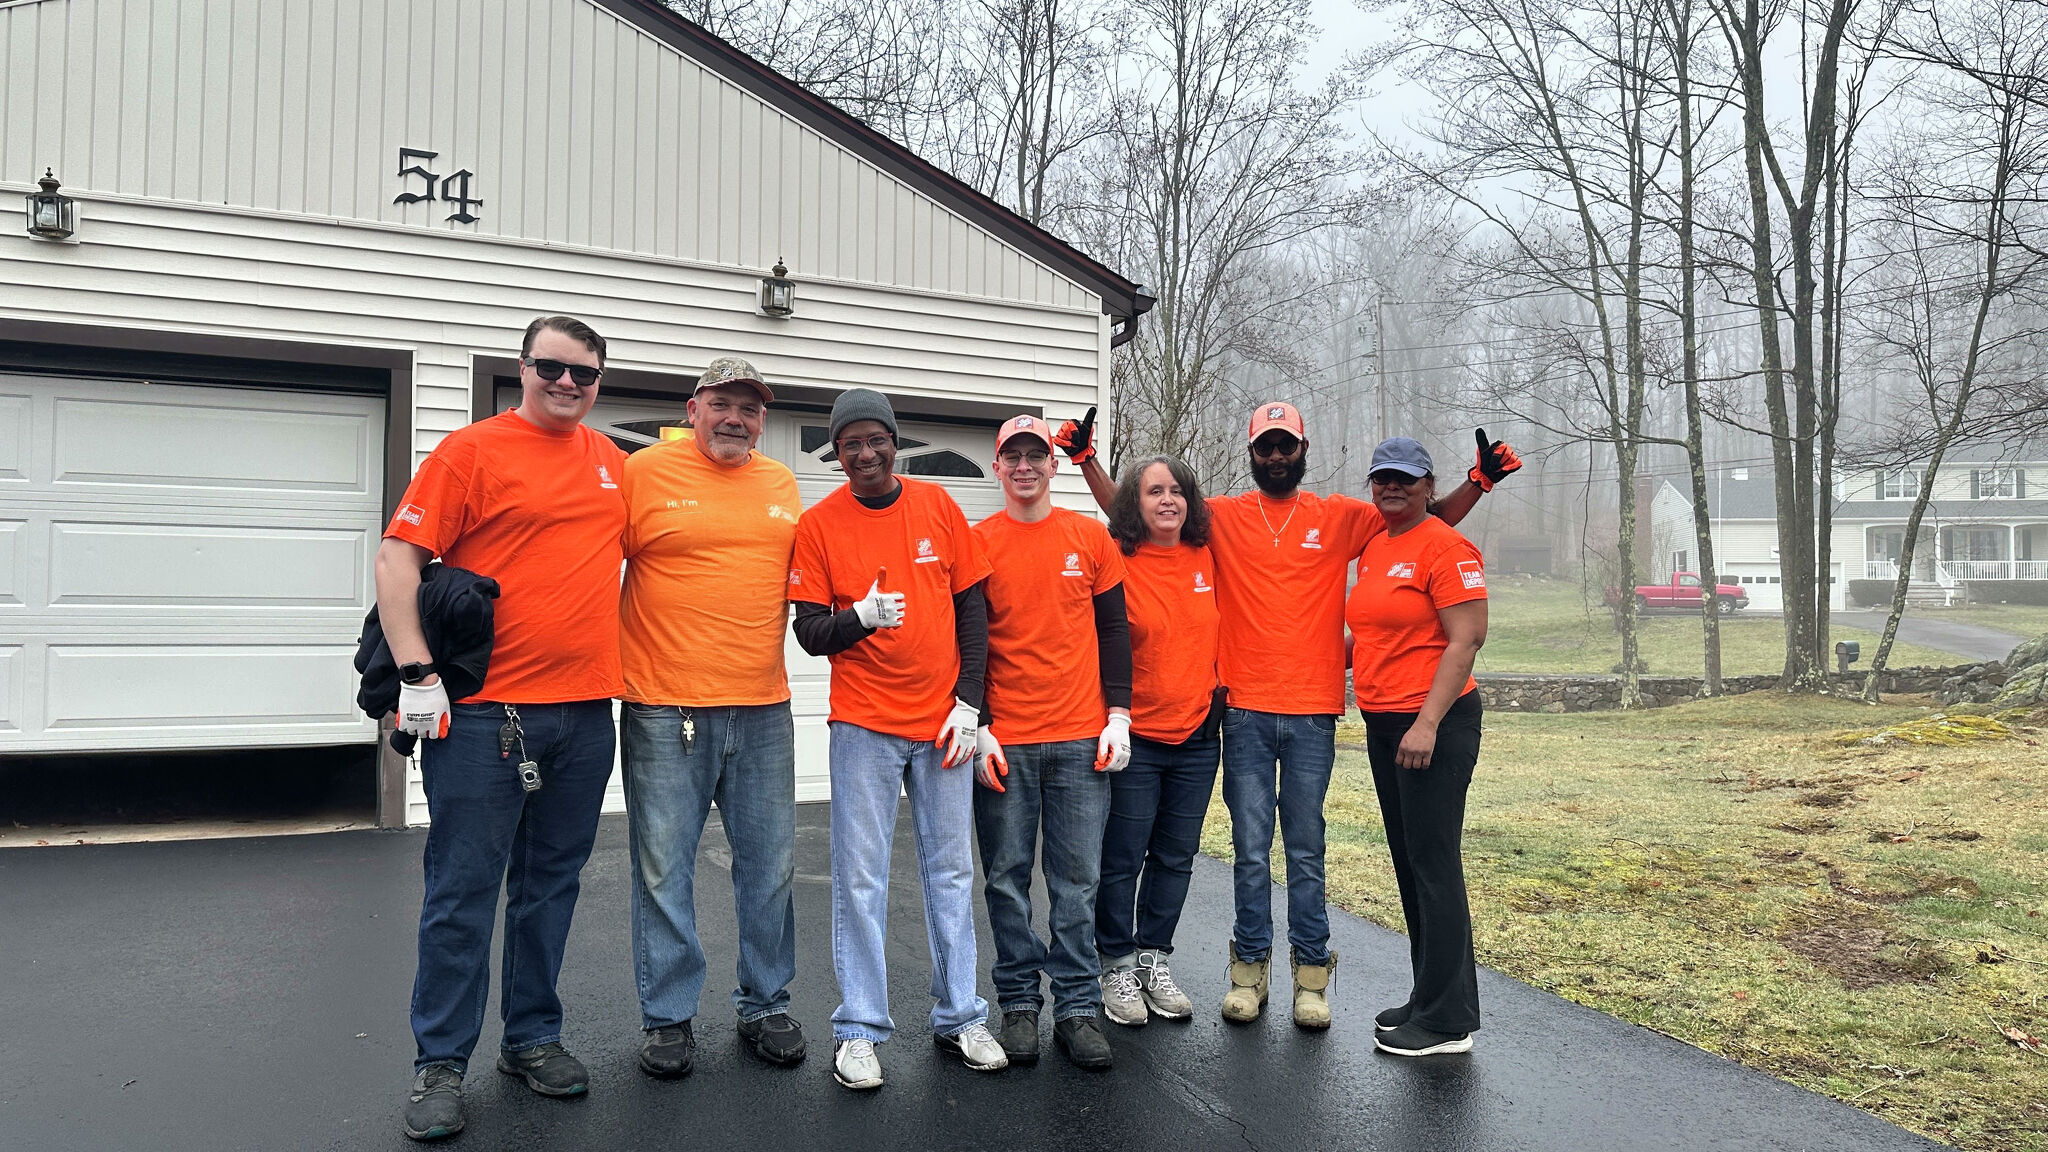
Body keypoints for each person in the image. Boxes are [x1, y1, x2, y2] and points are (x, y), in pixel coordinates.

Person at [1064, 406, 1518, 1028]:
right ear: (1253, 453)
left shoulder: (1342, 517)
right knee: (1251, 851)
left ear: (1302, 449)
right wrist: (1089, 463)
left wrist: (1479, 484)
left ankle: (1311, 978)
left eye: (1286, 445)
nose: (1276, 456)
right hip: (1244, 712)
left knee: (1306, 850)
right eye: (1265, 447)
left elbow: (1421, 519)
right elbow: (1138, 513)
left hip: (1313, 714)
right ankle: (1248, 974)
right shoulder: (1220, 517)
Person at [377, 316, 627, 1141]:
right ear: (522, 368)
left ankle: (531, 1039)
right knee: (461, 894)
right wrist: (417, 674)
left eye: (584, 374)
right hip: (484, 716)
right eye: (552, 367)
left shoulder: (613, 466)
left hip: (588, 714)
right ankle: (440, 1062)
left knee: (551, 886)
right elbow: (398, 561)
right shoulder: (471, 452)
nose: (567, 383)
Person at [787, 388, 1009, 1090]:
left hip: (942, 724)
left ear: (894, 441)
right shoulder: (819, 525)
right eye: (849, 443)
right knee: (860, 879)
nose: (864, 452)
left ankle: (962, 1017)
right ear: (838, 453)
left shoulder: (939, 508)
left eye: (874, 439)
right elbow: (810, 632)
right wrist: (859, 616)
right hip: (864, 727)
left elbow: (975, 609)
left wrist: (971, 704)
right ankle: (858, 1028)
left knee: (950, 872)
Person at [617, 356, 808, 1081]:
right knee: (664, 869)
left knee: (771, 866)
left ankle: (765, 1004)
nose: (736, 418)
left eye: (750, 409)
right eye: (722, 404)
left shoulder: (781, 483)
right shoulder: (645, 474)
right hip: (665, 707)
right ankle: (668, 1017)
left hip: (763, 709)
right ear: (692, 407)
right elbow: (585, 560)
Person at [972, 414, 1133, 1070]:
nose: (1025, 466)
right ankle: (1018, 1003)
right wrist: (978, 726)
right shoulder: (978, 542)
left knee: (1076, 881)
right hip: (1006, 739)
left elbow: (1116, 630)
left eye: (1036, 454)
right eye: (1013, 456)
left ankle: (1075, 1007)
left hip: (1079, 740)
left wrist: (1118, 715)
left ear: (1053, 464)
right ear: (997, 466)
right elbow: (972, 642)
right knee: (1007, 878)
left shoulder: (1089, 537)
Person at [1344, 438, 1488, 1058]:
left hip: (1433, 723)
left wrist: (1427, 724)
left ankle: (1447, 1023)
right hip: (1385, 722)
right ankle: (1431, 995)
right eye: (1382, 479)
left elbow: (1466, 639)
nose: (1391, 488)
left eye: (1405, 479)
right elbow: (1375, 632)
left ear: (1429, 486)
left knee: (1433, 864)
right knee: (1410, 864)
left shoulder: (1448, 547)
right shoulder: (1378, 545)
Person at [1091, 453, 1220, 1027]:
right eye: (1153, 492)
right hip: (1134, 734)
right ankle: (1115, 965)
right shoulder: (1115, 558)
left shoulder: (1210, 557)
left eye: (1176, 491)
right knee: (1122, 856)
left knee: (1175, 856)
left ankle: (1153, 958)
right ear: (1133, 504)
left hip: (1197, 735)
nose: (1167, 500)